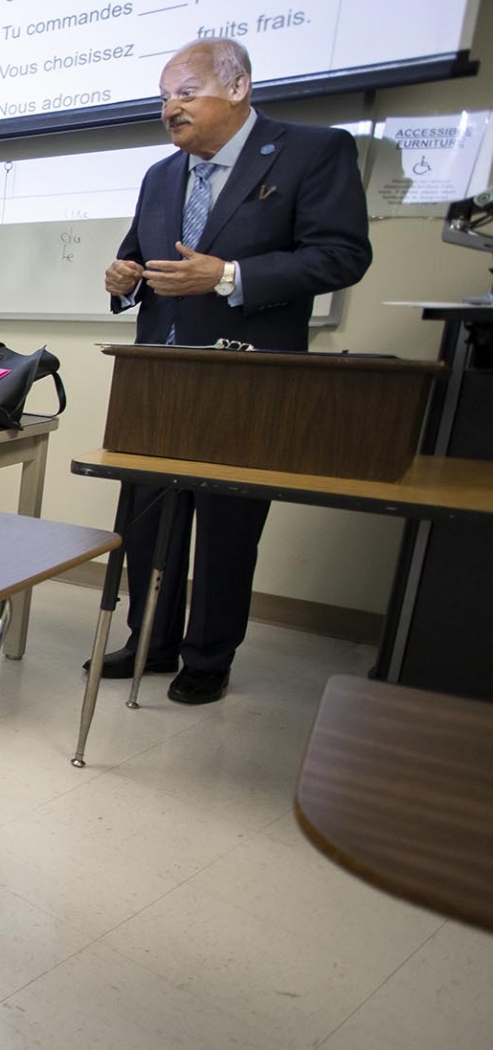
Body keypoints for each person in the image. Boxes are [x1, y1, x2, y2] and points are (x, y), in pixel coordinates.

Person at [100, 39, 372, 704]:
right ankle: (151, 640)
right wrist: (122, 278)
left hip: (247, 382)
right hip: (159, 375)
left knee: (227, 525)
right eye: (164, 96)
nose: (171, 107)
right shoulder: (161, 175)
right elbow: (140, 259)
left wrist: (228, 277)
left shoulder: (313, 151)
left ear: (239, 86)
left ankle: (209, 655)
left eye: (186, 92)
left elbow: (342, 256)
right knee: (148, 517)